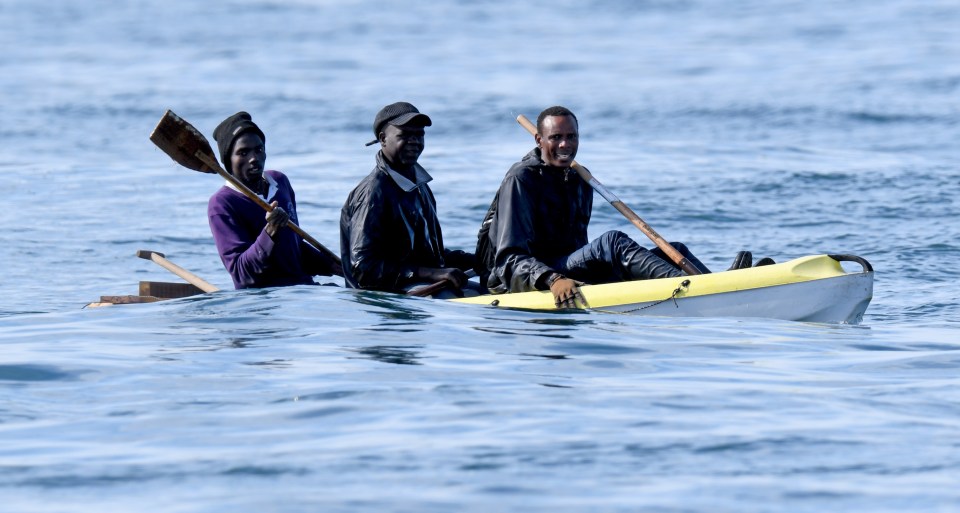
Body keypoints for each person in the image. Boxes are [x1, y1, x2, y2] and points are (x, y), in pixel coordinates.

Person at [476, 105, 727, 309]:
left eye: (571, 136)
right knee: (612, 243)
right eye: (556, 138)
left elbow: (576, 251)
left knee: (675, 249)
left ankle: (721, 286)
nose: (565, 144)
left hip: (565, 270)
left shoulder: (580, 180)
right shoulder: (521, 179)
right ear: (539, 140)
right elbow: (508, 259)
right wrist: (552, 279)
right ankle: (699, 292)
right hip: (521, 279)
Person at [340, 101, 475, 295]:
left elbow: (430, 257)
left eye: (419, 135)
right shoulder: (373, 192)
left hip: (420, 284)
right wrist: (430, 273)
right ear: (383, 139)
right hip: (382, 297)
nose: (414, 141)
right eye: (404, 135)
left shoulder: (421, 186)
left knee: (490, 288)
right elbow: (364, 268)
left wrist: (482, 258)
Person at [208, 111, 341, 289]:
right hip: (265, 303)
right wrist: (271, 230)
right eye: (243, 152)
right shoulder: (222, 204)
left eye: (259, 149)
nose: (254, 158)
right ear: (228, 161)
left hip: (303, 290)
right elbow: (242, 274)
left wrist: (334, 266)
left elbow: (294, 248)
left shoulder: (280, 182)